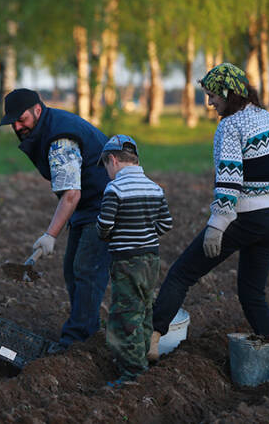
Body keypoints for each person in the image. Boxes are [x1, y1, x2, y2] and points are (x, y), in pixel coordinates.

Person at [148, 63, 269, 362]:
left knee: (181, 273)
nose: (210, 103)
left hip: (242, 217)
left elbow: (229, 177)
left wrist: (218, 224)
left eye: (213, 96)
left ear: (229, 93)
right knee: (252, 294)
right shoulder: (268, 119)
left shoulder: (230, 125)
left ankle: (151, 341)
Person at [0, 88, 111, 352]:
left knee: (86, 270)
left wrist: (50, 235)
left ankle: (76, 341)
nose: (17, 126)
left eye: (21, 119)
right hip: (90, 204)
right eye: (12, 122)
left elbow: (71, 193)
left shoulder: (61, 138)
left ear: (38, 110)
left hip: (107, 204)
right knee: (73, 268)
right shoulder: (48, 126)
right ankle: (88, 332)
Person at [96, 135, 173, 386]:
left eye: (106, 166)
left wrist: (105, 233)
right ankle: (143, 354)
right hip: (151, 259)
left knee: (124, 317)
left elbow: (105, 225)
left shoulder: (115, 188)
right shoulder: (154, 187)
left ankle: (133, 372)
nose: (107, 172)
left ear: (113, 160)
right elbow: (166, 224)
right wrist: (146, 233)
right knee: (145, 308)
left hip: (126, 260)